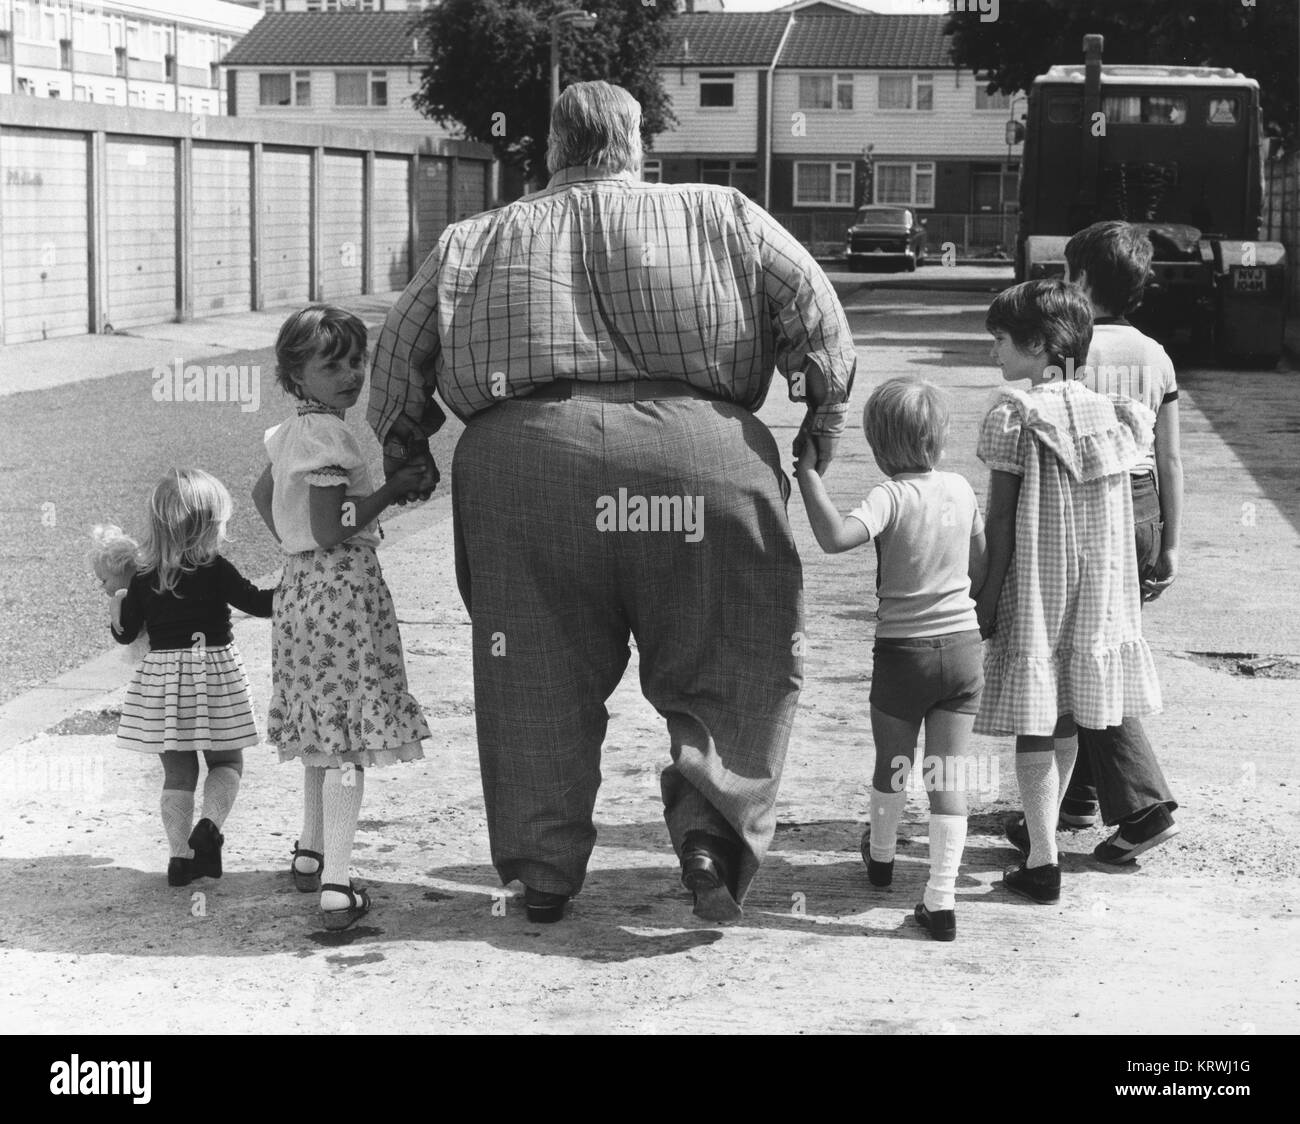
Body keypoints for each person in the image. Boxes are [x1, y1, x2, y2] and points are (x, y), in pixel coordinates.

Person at [368, 80, 856, 924]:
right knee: (734, 656)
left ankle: (544, 872)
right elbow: (816, 312)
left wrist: (406, 446)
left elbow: (398, 353)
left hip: (526, 467)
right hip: (701, 459)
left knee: (532, 672)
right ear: (637, 146)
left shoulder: (472, 238)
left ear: (553, 150)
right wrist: (823, 410)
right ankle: (712, 841)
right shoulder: (725, 213)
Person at [976, 279, 1162, 904]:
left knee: (1035, 714)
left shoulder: (1016, 414)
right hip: (1098, 589)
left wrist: (985, 591)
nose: (995, 354)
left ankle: (1044, 861)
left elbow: (1000, 519)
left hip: (1037, 583)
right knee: (1070, 710)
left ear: (1040, 345)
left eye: (1001, 341)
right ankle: (1039, 845)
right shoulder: (1114, 414)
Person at [252, 305, 431, 932]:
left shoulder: (289, 434)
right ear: (297, 375)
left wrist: (291, 538)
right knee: (348, 737)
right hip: (343, 594)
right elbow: (335, 528)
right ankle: (337, 883)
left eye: (357, 361)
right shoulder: (333, 438)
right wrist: (388, 492)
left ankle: (309, 849)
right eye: (333, 366)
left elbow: (262, 494)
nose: (351, 375)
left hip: (300, 590)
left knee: (319, 725)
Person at [796, 378, 986, 941]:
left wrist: (808, 474)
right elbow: (978, 564)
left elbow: (834, 538)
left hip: (903, 654)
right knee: (947, 774)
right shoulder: (962, 489)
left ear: (879, 446)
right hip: (962, 649)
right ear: (941, 437)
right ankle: (942, 899)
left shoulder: (889, 495)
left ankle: (880, 858)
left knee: (894, 765)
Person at [1041, 220, 1180, 862]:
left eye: (1069, 274)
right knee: (1106, 647)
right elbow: (1171, 458)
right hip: (1145, 507)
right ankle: (1075, 799)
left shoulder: (1071, 349)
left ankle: (1144, 805)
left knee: (1084, 655)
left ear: (1085, 281)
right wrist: (1171, 543)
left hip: (1089, 513)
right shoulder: (1155, 354)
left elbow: (1057, 447)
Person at [107, 470, 274, 887]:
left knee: (178, 774)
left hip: (163, 682)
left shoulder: (144, 578)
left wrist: (116, 602)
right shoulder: (216, 569)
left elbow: (126, 633)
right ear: (210, 525)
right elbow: (258, 602)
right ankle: (210, 826)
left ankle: (180, 859)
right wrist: (299, 586)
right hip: (214, 674)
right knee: (227, 760)